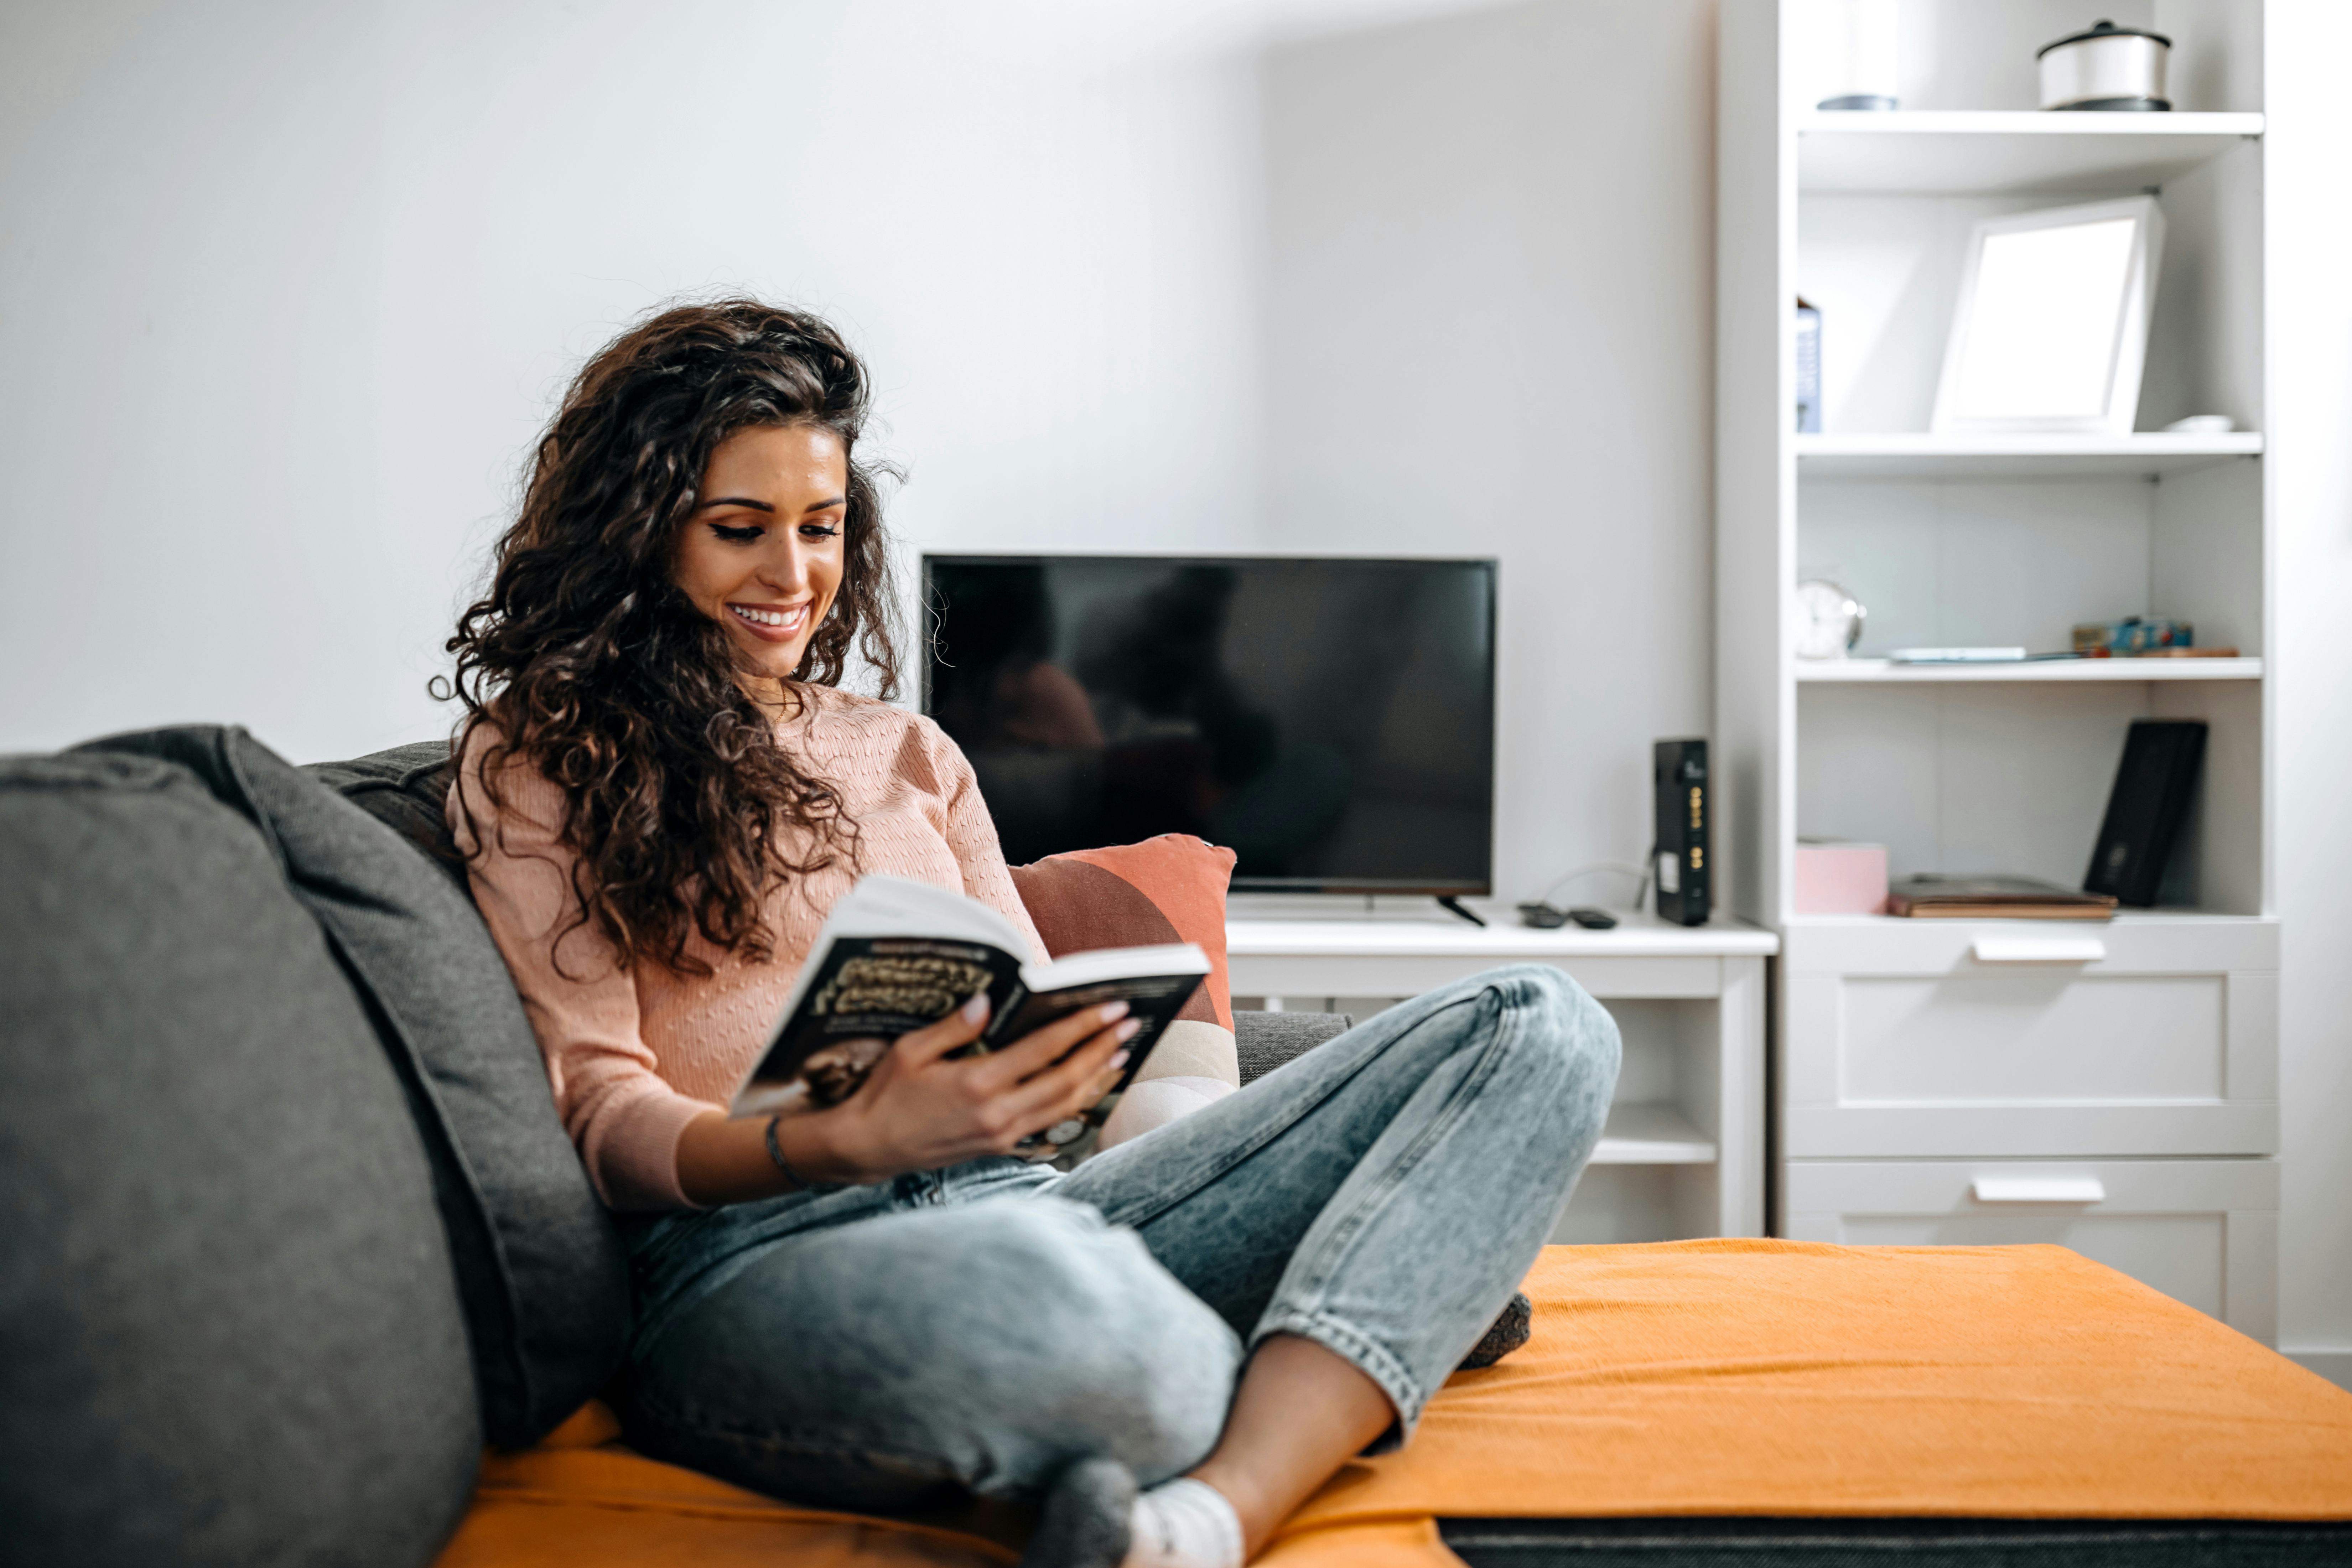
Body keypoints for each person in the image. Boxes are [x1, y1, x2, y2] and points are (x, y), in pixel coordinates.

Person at [444, 299, 1620, 1568]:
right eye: (739, 529)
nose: (791, 577)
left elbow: (1032, 1024)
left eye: (821, 528)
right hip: (759, 1252)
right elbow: (600, 1113)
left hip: (1043, 1202)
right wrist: (835, 1136)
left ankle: (1212, 1502)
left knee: (1541, 1022)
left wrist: (1055, 1074)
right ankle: (1364, 1318)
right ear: (635, 530)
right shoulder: (540, 758)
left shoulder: (913, 753)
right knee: (1123, 1346)